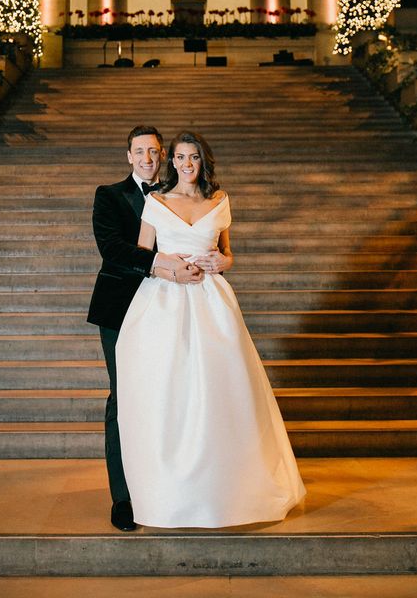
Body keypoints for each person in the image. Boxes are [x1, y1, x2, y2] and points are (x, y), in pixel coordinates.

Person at [116, 130, 306, 528]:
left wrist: (225, 263)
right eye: (181, 158)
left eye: (194, 158)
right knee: (171, 395)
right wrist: (172, 269)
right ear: (173, 162)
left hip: (212, 304)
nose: (186, 164)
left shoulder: (220, 202)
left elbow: (227, 252)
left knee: (222, 394)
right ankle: (169, 492)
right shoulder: (156, 202)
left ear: (204, 162)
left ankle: (225, 489)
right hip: (164, 302)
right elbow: (141, 254)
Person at [89, 125, 203, 532]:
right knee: (124, 399)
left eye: (154, 151)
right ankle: (123, 497)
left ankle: (165, 487)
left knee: (172, 398)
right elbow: (113, 249)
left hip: (172, 310)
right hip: (121, 310)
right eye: (140, 151)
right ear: (129, 156)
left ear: (165, 156)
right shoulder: (109, 195)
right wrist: (160, 264)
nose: (148, 158)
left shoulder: (181, 194)